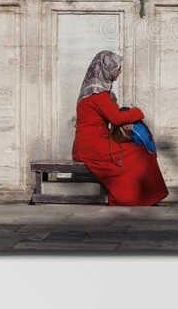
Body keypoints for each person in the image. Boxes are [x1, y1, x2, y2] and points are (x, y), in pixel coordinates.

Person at [70, 49, 167, 207]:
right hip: (92, 147)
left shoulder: (91, 92)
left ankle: (140, 196)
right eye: (117, 68)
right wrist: (137, 112)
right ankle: (136, 197)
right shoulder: (98, 95)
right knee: (140, 154)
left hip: (90, 144)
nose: (119, 71)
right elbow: (116, 117)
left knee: (135, 152)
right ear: (106, 69)